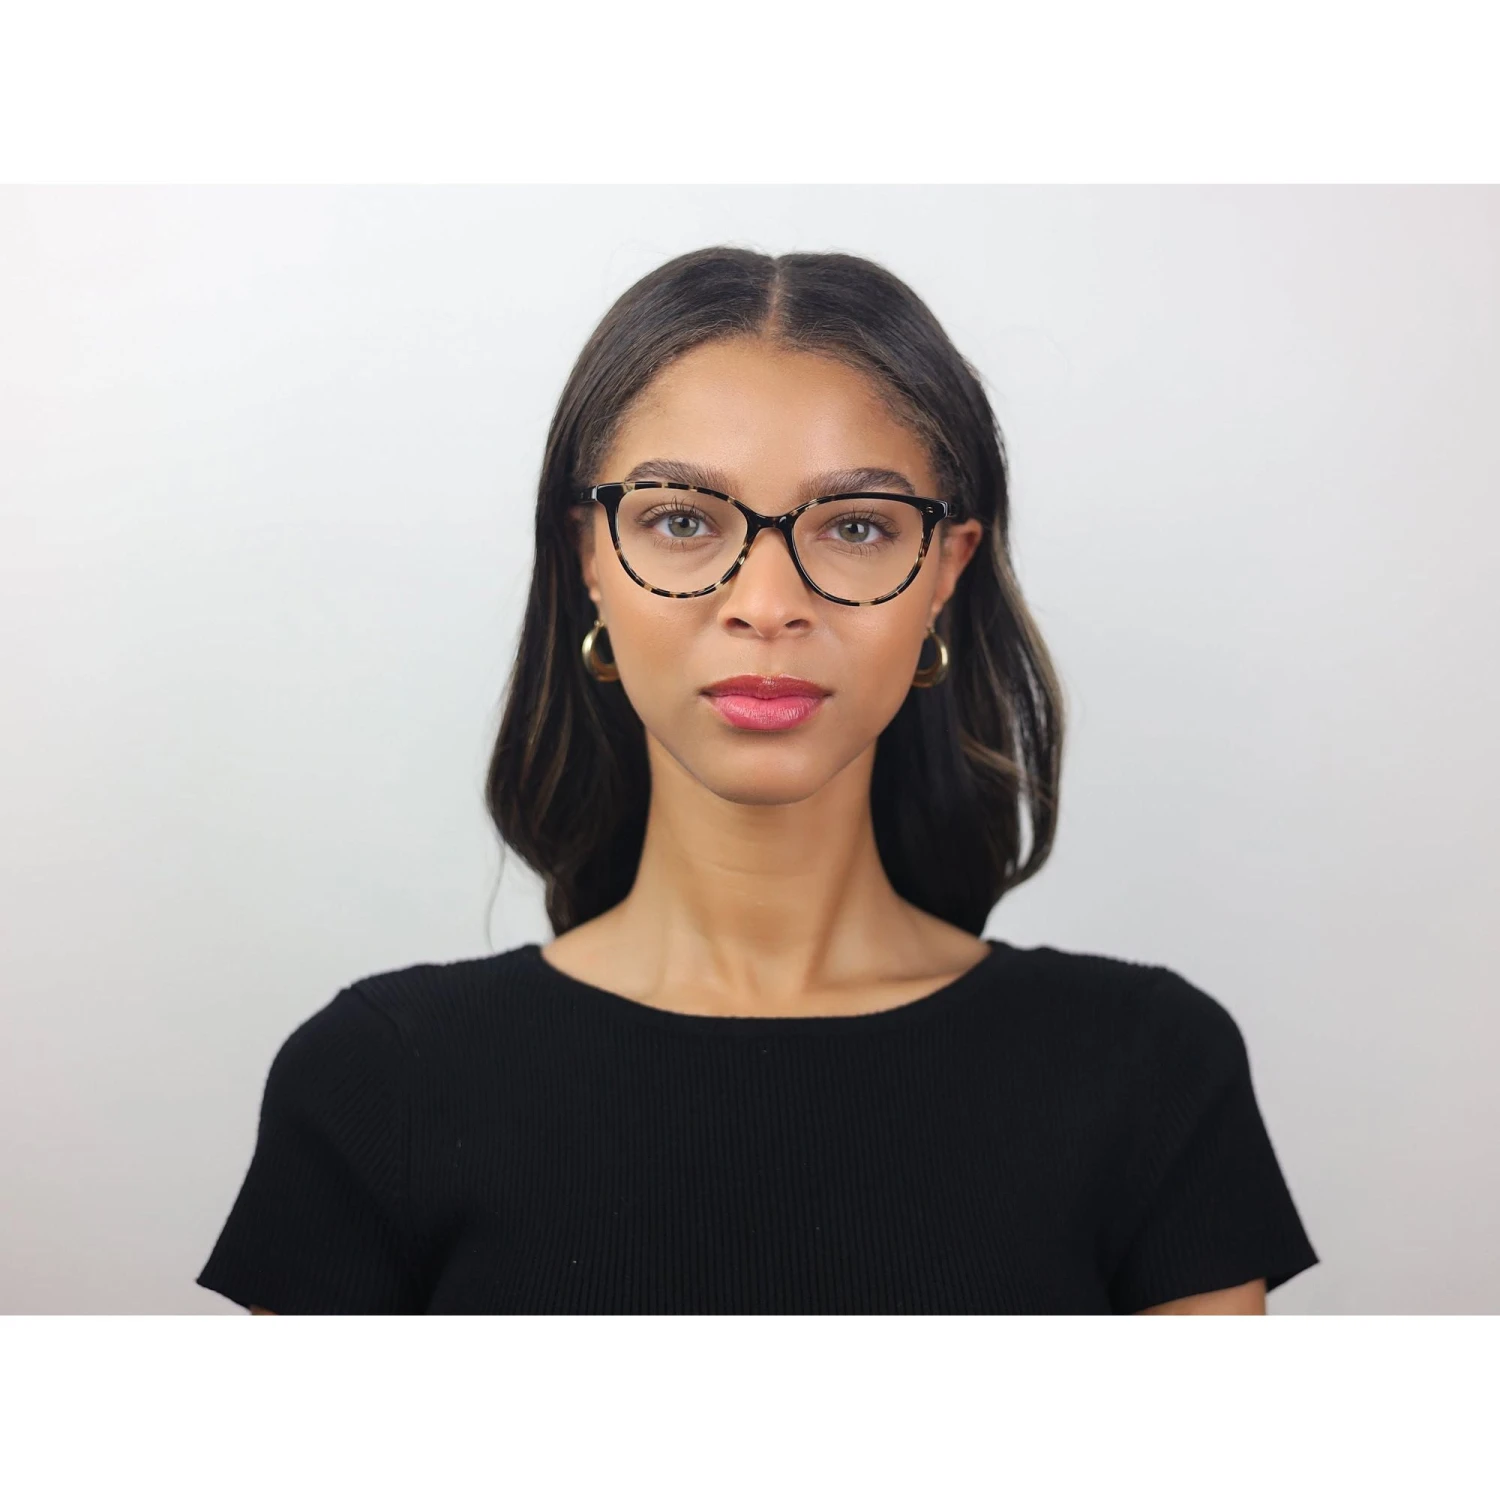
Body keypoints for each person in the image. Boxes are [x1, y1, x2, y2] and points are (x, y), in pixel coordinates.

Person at [197, 246, 1318, 1315]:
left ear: (946, 570)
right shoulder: (379, 1082)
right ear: (590, 556)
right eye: (682, 520)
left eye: (858, 526)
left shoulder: (1149, 1070)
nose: (768, 605)